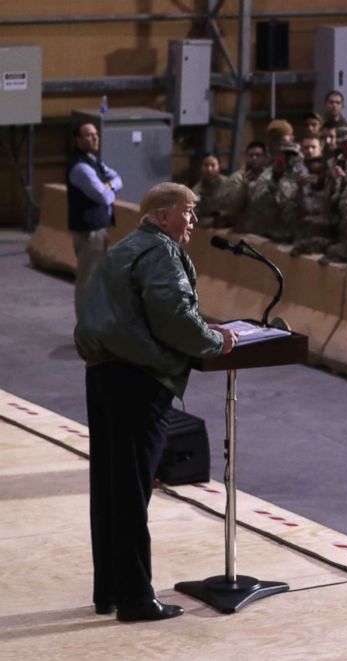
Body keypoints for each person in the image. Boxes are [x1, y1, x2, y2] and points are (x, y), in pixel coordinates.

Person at [74, 182, 237, 622]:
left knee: (110, 489)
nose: (194, 221)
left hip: (103, 375)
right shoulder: (161, 252)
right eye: (188, 212)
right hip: (137, 380)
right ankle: (135, 598)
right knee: (132, 492)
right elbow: (173, 316)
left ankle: (110, 589)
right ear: (163, 215)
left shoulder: (124, 248)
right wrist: (213, 341)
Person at [67, 122, 123, 319]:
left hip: (99, 229)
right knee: (88, 281)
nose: (94, 138)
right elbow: (102, 196)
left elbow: (118, 179)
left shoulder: (94, 162)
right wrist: (110, 189)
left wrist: (109, 186)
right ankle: (85, 327)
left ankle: (94, 324)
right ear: (78, 140)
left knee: (97, 280)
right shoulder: (81, 168)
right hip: (89, 232)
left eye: (95, 134)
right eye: (89, 135)